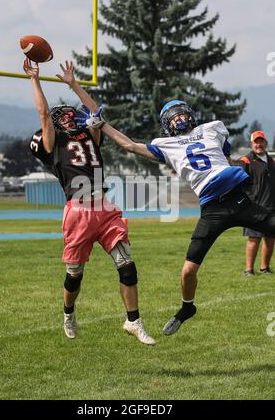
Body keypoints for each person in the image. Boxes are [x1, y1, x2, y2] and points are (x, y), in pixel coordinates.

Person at [76, 100, 275, 336]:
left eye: (180, 115)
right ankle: (187, 308)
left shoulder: (213, 128)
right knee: (188, 271)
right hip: (213, 210)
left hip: (239, 200)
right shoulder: (165, 145)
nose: (178, 120)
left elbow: (225, 157)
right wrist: (103, 125)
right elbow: (129, 145)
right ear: (166, 126)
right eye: (172, 118)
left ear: (190, 114)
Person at [24, 58, 155, 345]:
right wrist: (35, 79)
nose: (69, 117)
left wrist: (74, 84)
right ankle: (68, 312)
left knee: (127, 265)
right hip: (78, 211)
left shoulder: (90, 136)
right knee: (75, 275)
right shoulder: (53, 143)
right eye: (63, 117)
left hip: (105, 208)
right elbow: (44, 113)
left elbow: (96, 113)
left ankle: (133, 321)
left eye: (71, 114)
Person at [239, 131, 275, 276]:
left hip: (272, 207)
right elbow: (239, 183)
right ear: (251, 144)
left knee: (271, 238)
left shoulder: (272, 162)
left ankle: (265, 268)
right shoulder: (246, 161)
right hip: (253, 207)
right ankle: (248, 270)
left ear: (266, 143)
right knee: (254, 238)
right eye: (256, 142)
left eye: (261, 141)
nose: (259, 144)